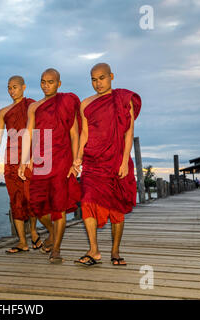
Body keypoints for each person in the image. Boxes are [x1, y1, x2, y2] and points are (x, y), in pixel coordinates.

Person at [74, 63, 141, 266]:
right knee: (87, 202)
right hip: (92, 161)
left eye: (101, 78)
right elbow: (83, 133)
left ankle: (115, 251)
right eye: (93, 79)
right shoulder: (85, 103)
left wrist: (124, 162)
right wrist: (77, 157)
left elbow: (129, 133)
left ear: (111, 76)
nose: (98, 83)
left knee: (116, 208)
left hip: (116, 161)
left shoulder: (123, 99)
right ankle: (94, 250)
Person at [18, 68, 81, 263]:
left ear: (58, 83)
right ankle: (53, 233)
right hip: (40, 160)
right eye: (43, 82)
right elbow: (29, 133)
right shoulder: (34, 107)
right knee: (37, 205)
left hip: (62, 158)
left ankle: (56, 250)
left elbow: (74, 133)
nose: (46, 85)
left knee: (58, 206)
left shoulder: (66, 101)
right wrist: (23, 159)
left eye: (50, 82)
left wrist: (75, 160)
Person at [0, 75, 42, 253]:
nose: (12, 91)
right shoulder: (3, 112)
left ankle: (33, 232)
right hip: (11, 159)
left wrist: (33, 159)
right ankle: (22, 242)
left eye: (15, 87)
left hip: (28, 158)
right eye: (9, 87)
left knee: (30, 198)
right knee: (15, 200)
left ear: (24, 87)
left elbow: (38, 131)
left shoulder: (32, 106)